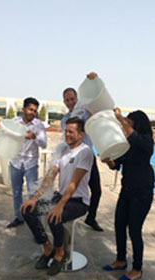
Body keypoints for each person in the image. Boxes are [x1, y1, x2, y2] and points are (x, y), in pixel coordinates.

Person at [20, 117, 92, 276]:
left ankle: (60, 253)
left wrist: (59, 207)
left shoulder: (85, 152)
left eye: (71, 132)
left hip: (78, 201)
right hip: (61, 196)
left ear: (80, 134)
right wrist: (34, 198)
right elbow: (51, 176)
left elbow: (74, 183)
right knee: (27, 210)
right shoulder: (62, 149)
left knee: (54, 216)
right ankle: (47, 248)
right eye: (66, 131)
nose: (67, 134)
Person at [101, 108, 155, 280]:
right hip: (127, 190)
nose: (125, 127)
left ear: (138, 125)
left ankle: (137, 268)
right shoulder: (127, 144)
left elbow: (134, 137)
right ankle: (121, 259)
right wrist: (109, 160)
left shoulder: (147, 141)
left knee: (134, 230)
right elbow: (116, 165)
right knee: (119, 225)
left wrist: (119, 117)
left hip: (142, 192)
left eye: (129, 124)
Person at [61, 72, 103, 231]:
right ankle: (66, 213)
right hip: (74, 158)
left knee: (97, 190)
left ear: (77, 98)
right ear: (64, 102)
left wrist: (94, 79)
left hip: (88, 156)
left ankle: (91, 218)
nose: (70, 102)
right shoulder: (65, 120)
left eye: (72, 98)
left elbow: (97, 101)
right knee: (72, 188)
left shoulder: (86, 112)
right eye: (67, 100)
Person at [6, 97, 48, 228]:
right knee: (16, 192)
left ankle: (36, 224)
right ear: (23, 109)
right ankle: (19, 217)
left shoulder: (39, 125)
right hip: (16, 162)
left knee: (32, 194)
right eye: (30, 109)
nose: (33, 113)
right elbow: (6, 134)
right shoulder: (15, 122)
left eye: (35, 111)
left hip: (31, 163)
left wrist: (34, 137)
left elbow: (44, 144)